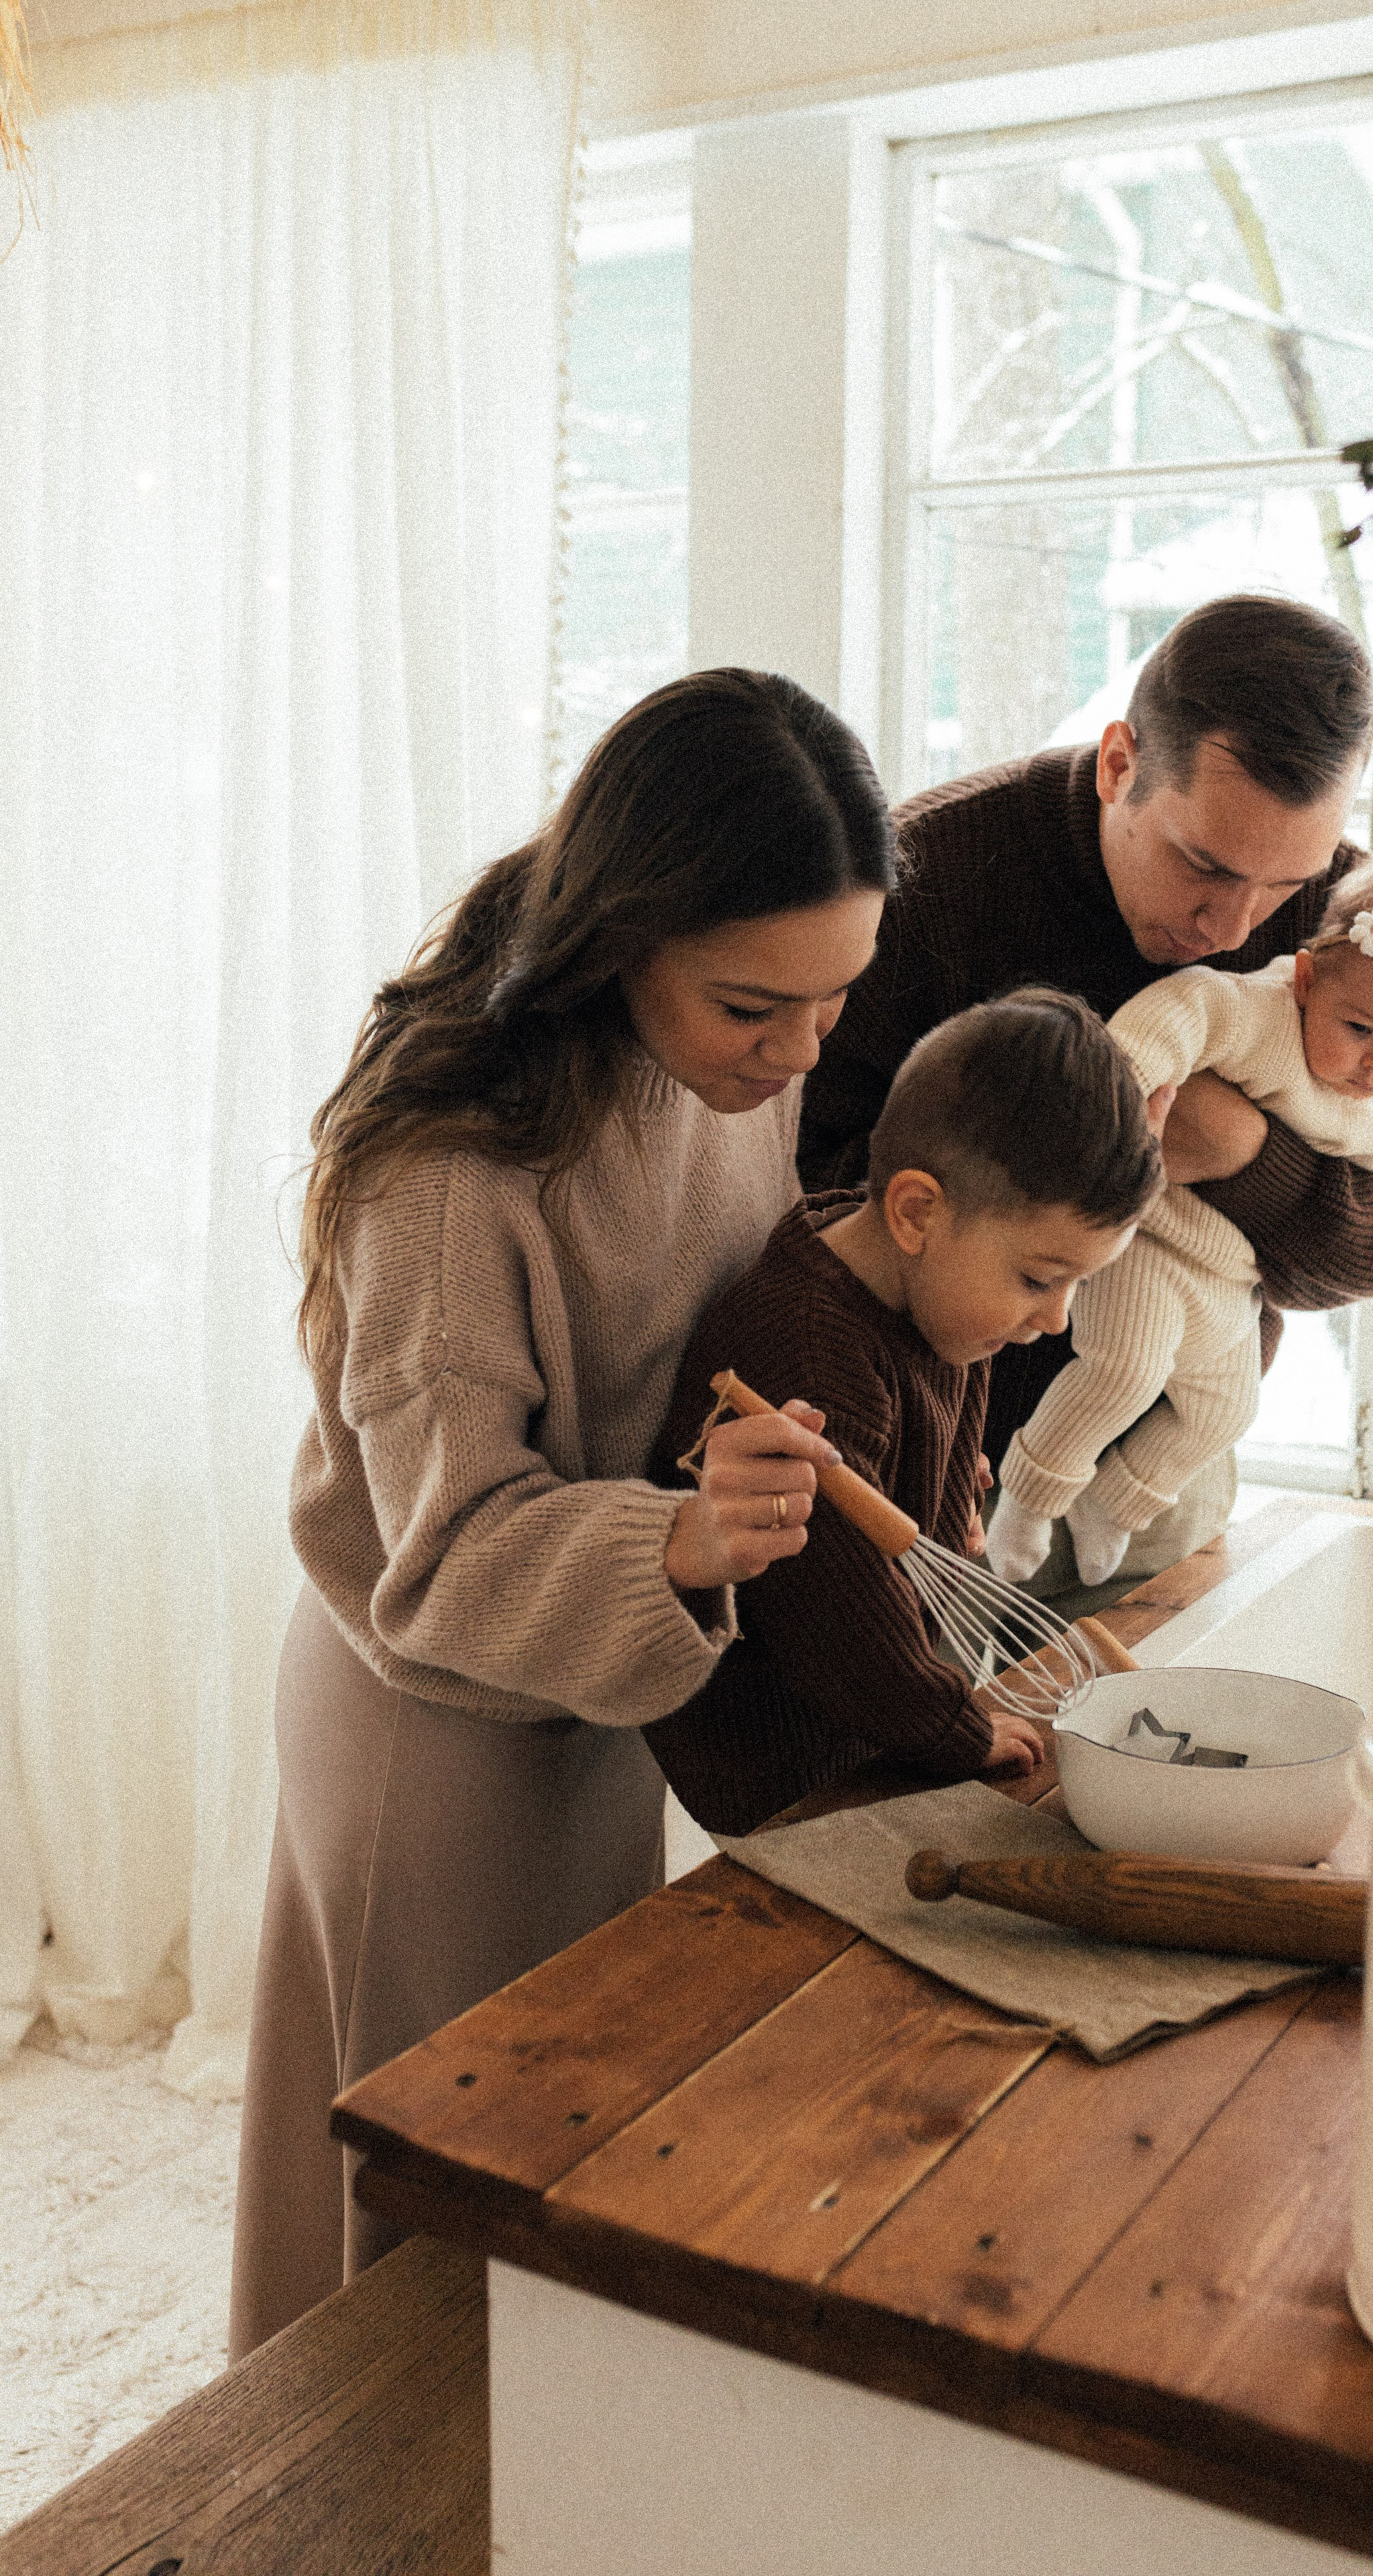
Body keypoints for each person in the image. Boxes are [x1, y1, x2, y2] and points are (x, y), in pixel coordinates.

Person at [229, 669, 897, 2361]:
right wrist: (676, 1539)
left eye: (835, 999)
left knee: (557, 2168)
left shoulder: (724, 1067)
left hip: (608, 1685)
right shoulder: (450, 1177)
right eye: (759, 1005)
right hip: (434, 1724)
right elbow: (440, 1558)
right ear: (623, 940)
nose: (802, 1049)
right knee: (411, 2227)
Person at [798, 593, 1373, 1603]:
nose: (1236, 923)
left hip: (1153, 1481)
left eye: (1282, 881)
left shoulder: (1344, 924)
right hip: (908, 1475)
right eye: (1204, 865)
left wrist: (1244, 1156)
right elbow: (799, 1215)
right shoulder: (923, 884)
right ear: (1121, 761)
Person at [644, 989, 1159, 1835]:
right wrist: (953, 1729)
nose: (1056, 1318)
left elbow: (949, 1418)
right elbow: (838, 1620)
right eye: (1038, 1277)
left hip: (873, 1723)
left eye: (1077, 1283)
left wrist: (950, 1492)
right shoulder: (806, 1357)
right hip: (792, 1760)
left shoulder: (939, 1305)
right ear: (917, 1211)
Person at [987, 859, 1373, 1588]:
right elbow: (1186, 1009)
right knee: (1125, 1369)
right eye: (1358, 1028)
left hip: (1234, 1281)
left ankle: (1114, 1505)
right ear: (1308, 982)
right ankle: (1029, 1498)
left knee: (1225, 1409)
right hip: (1152, 1240)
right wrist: (1126, 1083)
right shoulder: (1260, 1016)